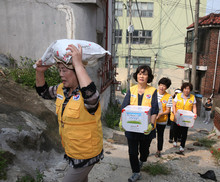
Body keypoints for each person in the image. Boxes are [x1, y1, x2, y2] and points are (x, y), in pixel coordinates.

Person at [35, 44, 103, 182]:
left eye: (65, 70)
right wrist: (39, 72)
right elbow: (43, 92)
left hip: (86, 153)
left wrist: (78, 64)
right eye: (59, 70)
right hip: (72, 151)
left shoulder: (87, 94)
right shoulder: (61, 89)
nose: (61, 74)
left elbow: (92, 98)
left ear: (77, 71)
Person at [119, 65, 158, 182]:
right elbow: (124, 107)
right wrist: (122, 121)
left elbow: (155, 110)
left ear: (148, 77)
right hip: (132, 127)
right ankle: (136, 172)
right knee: (132, 151)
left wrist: (151, 124)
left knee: (144, 151)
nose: (142, 76)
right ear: (136, 76)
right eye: (140, 73)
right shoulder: (131, 89)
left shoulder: (153, 91)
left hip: (147, 128)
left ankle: (143, 159)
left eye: (144, 74)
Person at [172, 82, 197, 153]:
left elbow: (194, 106)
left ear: (190, 90)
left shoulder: (192, 97)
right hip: (178, 116)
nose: (187, 90)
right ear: (183, 89)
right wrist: (174, 113)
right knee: (176, 130)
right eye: (185, 88)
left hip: (187, 118)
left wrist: (195, 114)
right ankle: (175, 140)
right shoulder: (178, 95)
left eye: (188, 89)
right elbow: (174, 105)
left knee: (184, 132)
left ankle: (182, 146)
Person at [155, 77, 172, 158]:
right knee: (148, 134)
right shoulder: (153, 93)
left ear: (167, 87)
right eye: (161, 85)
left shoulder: (169, 96)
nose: (162, 87)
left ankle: (159, 150)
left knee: (160, 135)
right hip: (152, 119)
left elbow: (168, 110)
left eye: (164, 86)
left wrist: (160, 114)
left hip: (162, 120)